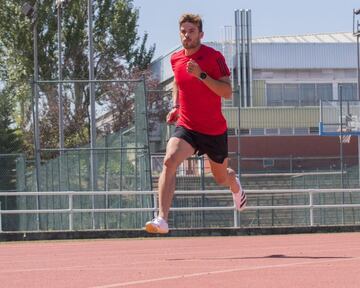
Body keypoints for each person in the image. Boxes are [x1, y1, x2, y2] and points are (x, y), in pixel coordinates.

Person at [145, 13, 246, 234]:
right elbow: (178, 84)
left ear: (201, 34)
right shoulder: (176, 59)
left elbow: (227, 92)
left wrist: (201, 75)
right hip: (188, 127)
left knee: (220, 178)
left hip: (213, 131)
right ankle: (162, 219)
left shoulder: (213, 57)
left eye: (191, 31)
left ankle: (234, 183)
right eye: (183, 31)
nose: (187, 35)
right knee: (169, 160)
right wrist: (176, 107)